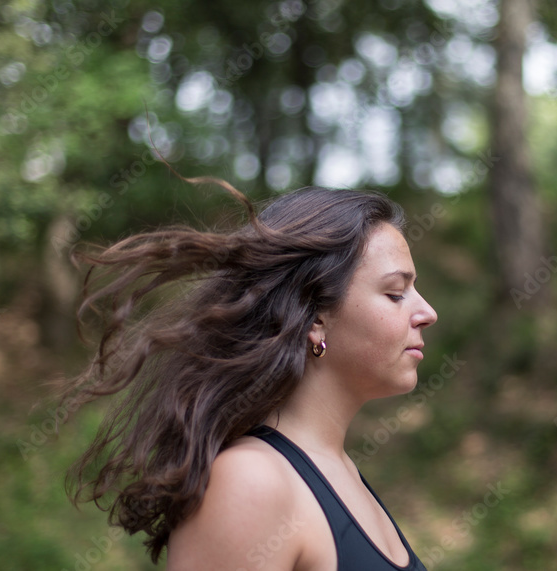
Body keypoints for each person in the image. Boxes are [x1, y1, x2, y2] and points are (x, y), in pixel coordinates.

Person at [64, 182, 438, 570]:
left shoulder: (340, 471)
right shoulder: (251, 482)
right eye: (396, 293)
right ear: (315, 318)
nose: (427, 312)